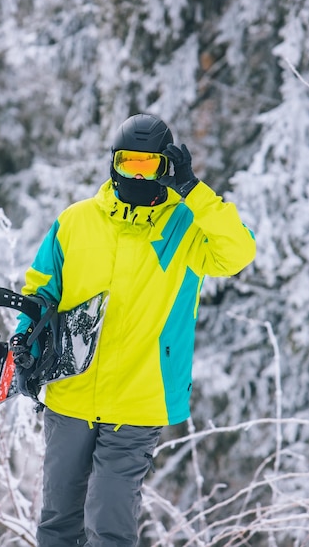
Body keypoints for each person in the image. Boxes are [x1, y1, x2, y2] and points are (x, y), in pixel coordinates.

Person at [14, 113, 256, 547]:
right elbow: (40, 290)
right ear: (113, 163)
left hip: (140, 398)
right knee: (58, 521)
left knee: (109, 522)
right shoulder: (76, 221)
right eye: (129, 163)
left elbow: (237, 252)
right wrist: (24, 337)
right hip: (72, 392)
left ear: (167, 168)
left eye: (149, 165)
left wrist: (194, 193)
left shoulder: (185, 228)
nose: (136, 173)